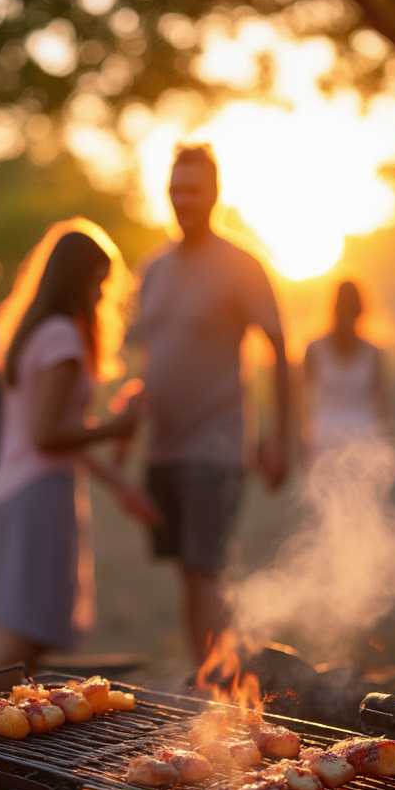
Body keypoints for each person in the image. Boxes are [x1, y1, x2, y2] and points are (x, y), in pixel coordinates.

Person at [130, 143, 291, 674]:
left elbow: (279, 349)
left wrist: (279, 438)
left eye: (193, 189)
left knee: (206, 572)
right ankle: (210, 682)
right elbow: (150, 354)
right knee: (189, 573)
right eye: (175, 189)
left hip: (216, 446)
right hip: (164, 449)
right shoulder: (153, 268)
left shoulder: (241, 265)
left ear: (216, 193)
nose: (183, 199)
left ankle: (222, 693)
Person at [0, 218, 161, 674]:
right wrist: (115, 428)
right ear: (77, 280)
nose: (102, 296)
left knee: (29, 632)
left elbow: (59, 432)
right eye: (98, 284)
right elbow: (47, 435)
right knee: (31, 633)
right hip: (39, 492)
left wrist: (120, 483)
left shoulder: (34, 330)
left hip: (13, 487)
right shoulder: (62, 337)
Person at [301, 279, 392, 459]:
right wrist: (301, 437)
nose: (347, 315)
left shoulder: (373, 352)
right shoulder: (314, 349)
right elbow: (300, 398)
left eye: (351, 308)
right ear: (334, 309)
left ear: (359, 311)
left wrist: (387, 442)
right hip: (323, 441)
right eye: (344, 308)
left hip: (365, 440)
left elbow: (383, 401)